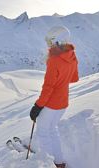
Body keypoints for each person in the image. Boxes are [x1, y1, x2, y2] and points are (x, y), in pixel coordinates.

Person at [29, 26, 79, 168]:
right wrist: (63, 77)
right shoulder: (72, 56)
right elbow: (74, 78)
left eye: (50, 42)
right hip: (63, 103)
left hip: (51, 104)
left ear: (57, 41)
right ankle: (58, 162)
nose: (49, 45)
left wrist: (38, 106)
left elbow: (48, 87)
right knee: (52, 130)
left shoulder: (54, 60)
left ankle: (48, 164)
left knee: (43, 133)